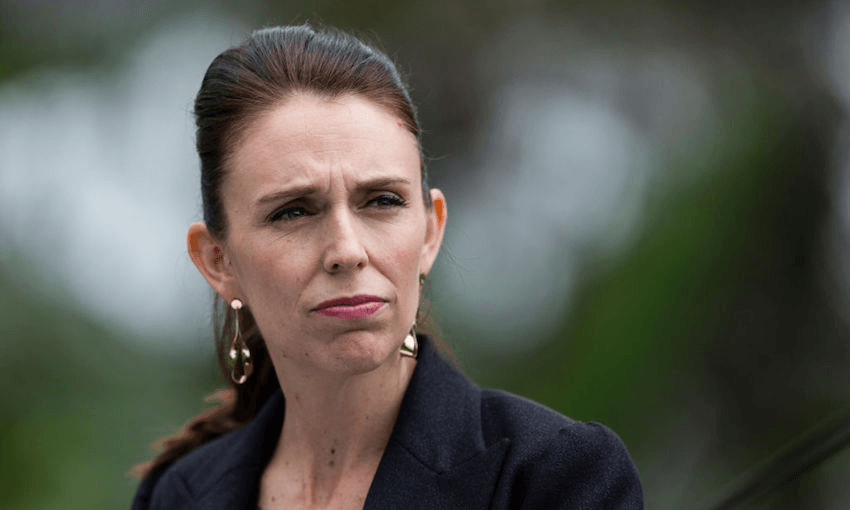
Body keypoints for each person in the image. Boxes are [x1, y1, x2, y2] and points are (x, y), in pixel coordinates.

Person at [131, 24, 643, 510]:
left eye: (381, 201)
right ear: (218, 262)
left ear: (429, 231)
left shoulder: (549, 477)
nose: (347, 250)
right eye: (293, 211)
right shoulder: (177, 496)